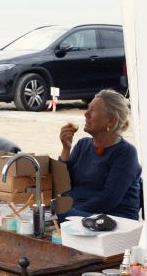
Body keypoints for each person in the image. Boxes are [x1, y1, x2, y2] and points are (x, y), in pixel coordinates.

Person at [58, 89, 141, 220]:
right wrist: (66, 150)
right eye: (88, 108)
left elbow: (109, 199)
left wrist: (70, 213)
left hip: (113, 219)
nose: (86, 114)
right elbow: (63, 185)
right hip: (80, 213)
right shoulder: (82, 145)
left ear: (111, 121)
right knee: (40, 212)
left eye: (93, 110)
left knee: (55, 215)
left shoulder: (126, 153)